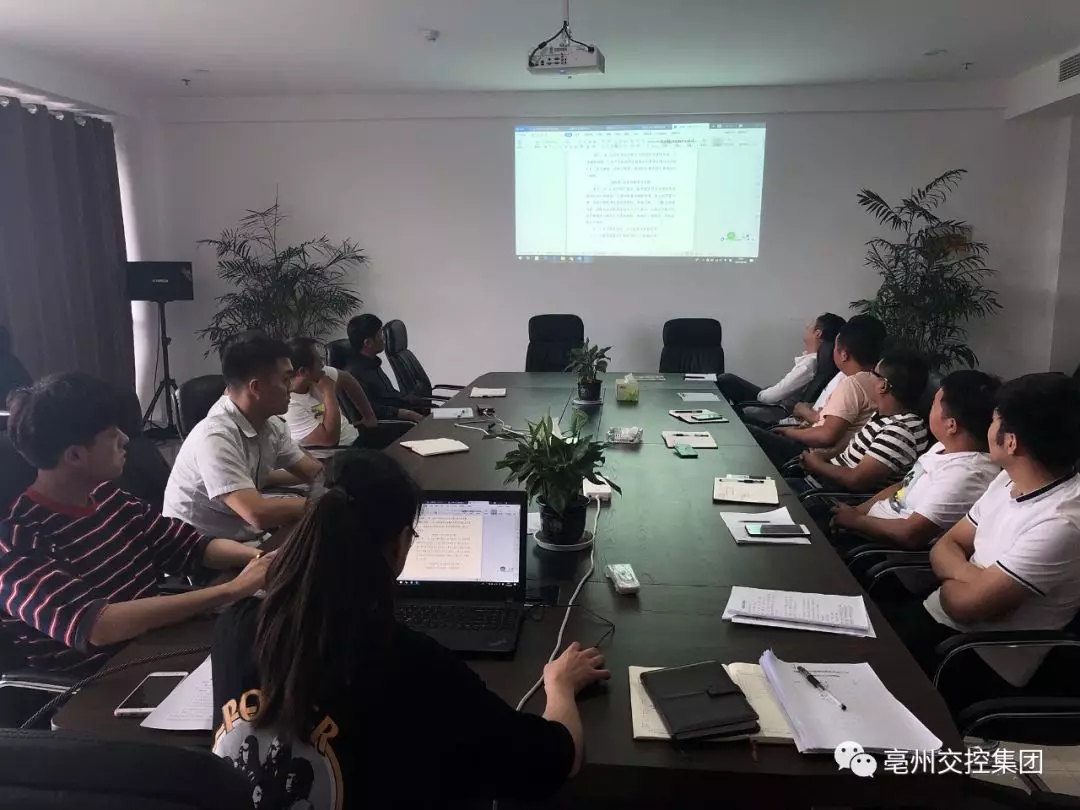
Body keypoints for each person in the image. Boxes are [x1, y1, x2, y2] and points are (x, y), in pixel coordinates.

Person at [212, 450, 609, 807]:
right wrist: (560, 686)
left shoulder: (236, 626)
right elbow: (557, 761)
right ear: (402, 544)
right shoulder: (410, 665)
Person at [0, 372, 272, 674]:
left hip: (154, 650)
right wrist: (231, 590)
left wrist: (262, 559)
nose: (126, 439)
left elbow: (191, 546)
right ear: (75, 455)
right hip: (99, 685)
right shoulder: (16, 539)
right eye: (112, 434)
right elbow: (97, 625)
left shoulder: (108, 497)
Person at [877, 373, 1080, 708]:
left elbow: (966, 608)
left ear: (1011, 442)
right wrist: (975, 579)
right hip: (937, 621)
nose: (987, 426)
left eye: (995, 420)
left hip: (969, 657)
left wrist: (955, 581)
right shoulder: (1008, 480)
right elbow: (945, 546)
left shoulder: (1061, 523)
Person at [163, 334, 322, 541]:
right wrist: (321, 504)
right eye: (285, 380)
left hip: (243, 536)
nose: (291, 387)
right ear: (256, 388)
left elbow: (313, 472)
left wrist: (344, 484)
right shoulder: (216, 436)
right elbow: (257, 513)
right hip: (200, 548)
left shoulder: (271, 424)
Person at [830, 370, 1001, 551]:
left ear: (951, 425)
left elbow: (910, 534)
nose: (929, 408)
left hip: (878, 552)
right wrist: (857, 512)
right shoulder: (944, 448)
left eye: (934, 404)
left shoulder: (966, 474)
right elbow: (901, 488)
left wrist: (856, 521)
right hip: (865, 529)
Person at [748, 314, 885, 467]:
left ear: (844, 355)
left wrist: (789, 432)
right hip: (817, 445)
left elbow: (826, 436)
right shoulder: (876, 381)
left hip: (809, 454)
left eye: (835, 348)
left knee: (747, 432)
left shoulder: (852, 384)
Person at [793, 351, 930, 494]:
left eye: (873, 373)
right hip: (823, 482)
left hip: (831, 496)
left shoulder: (900, 431)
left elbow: (856, 480)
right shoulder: (884, 415)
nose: (867, 376)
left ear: (883, 386)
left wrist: (816, 464)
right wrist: (823, 456)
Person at [717, 313, 845, 407]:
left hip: (776, 408)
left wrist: (761, 393)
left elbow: (770, 397)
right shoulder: (817, 360)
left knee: (726, 380)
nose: (806, 326)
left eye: (810, 325)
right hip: (775, 400)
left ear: (818, 333)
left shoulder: (809, 364)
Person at [284, 337, 377, 447]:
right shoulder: (289, 406)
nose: (323, 365)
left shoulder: (318, 374)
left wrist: (368, 415)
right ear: (303, 371)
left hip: (355, 438)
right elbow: (330, 441)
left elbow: (347, 379)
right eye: (319, 361)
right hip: (338, 452)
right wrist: (329, 391)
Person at [345, 314, 424, 422]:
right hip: (396, 425)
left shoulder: (373, 362)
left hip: (408, 414)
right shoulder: (354, 374)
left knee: (446, 414)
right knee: (442, 423)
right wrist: (408, 414)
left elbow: (389, 396)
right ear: (368, 343)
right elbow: (372, 411)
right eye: (380, 335)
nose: (384, 339)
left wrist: (411, 400)